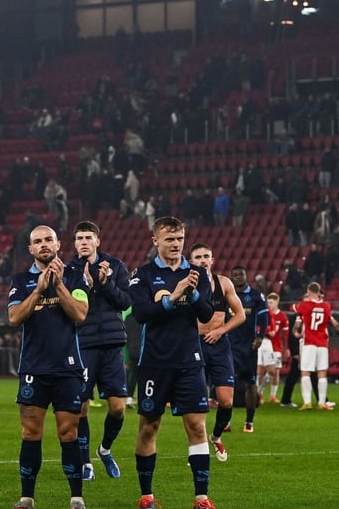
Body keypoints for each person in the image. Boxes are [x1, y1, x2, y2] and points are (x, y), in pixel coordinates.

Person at [129, 216, 217, 509]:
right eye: (169, 239)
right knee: (148, 427)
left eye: (179, 239)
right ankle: (147, 496)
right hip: (155, 361)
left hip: (189, 360)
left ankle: (201, 497)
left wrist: (190, 294)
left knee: (196, 426)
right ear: (155, 241)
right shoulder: (141, 275)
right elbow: (141, 314)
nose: (176, 244)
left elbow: (206, 315)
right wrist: (172, 297)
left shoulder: (197, 274)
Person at [7, 225, 89, 509]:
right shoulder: (21, 280)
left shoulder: (76, 275)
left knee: (69, 433)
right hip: (33, 368)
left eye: (48, 240)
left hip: (67, 368)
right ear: (30, 248)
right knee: (31, 433)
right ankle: (27, 497)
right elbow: (15, 317)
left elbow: (80, 314)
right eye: (37, 241)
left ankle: (76, 497)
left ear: (58, 245)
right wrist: (40, 289)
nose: (43, 244)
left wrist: (59, 284)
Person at [65, 221, 130, 482]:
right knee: (80, 408)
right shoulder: (68, 271)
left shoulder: (114, 266)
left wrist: (104, 284)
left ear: (97, 241)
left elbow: (126, 301)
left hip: (112, 345)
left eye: (88, 237)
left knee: (117, 408)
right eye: (79, 237)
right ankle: (85, 464)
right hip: (82, 345)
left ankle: (104, 450)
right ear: (74, 243)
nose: (83, 241)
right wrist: (88, 286)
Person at [190, 243, 245, 462]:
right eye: (198, 257)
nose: (203, 260)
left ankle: (216, 436)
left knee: (226, 401)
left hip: (220, 345)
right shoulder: (186, 284)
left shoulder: (224, 283)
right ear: (191, 261)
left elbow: (240, 315)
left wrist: (221, 330)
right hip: (195, 345)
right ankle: (199, 446)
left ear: (212, 260)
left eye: (206, 256)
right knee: (198, 402)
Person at [226, 265, 268, 433]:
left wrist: (260, 336)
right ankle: (226, 421)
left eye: (240, 274)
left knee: (250, 383)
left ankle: (249, 421)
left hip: (249, 346)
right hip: (229, 346)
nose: (237, 277)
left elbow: (264, 318)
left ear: (245, 275)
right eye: (234, 274)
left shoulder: (256, 296)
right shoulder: (227, 295)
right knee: (228, 384)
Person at [293, 282, 339, 410]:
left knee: (305, 371)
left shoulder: (304, 305)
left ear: (308, 291)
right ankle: (322, 403)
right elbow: (334, 322)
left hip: (309, 343)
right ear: (319, 292)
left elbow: (294, 308)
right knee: (322, 372)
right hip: (323, 343)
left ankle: (307, 402)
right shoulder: (326, 306)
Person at [256, 292, 290, 404]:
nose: (269, 304)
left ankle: (272, 395)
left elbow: (284, 333)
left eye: (271, 302)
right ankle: (259, 394)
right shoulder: (264, 313)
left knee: (275, 372)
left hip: (276, 347)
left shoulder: (282, 316)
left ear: (277, 302)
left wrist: (286, 347)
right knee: (260, 370)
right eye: (268, 302)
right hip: (264, 344)